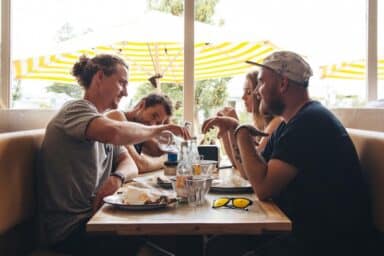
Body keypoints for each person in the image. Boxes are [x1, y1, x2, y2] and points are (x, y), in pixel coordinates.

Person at [202, 51, 378, 256]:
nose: (258, 91)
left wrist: (241, 132)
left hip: (332, 241)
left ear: (283, 84)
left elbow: (263, 188)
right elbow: (249, 174)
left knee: (222, 248)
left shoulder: (310, 122)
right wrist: (234, 129)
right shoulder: (291, 123)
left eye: (261, 83)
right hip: (305, 230)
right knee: (219, 245)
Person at [37, 54, 190, 255]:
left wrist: (116, 178)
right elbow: (116, 132)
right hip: (72, 231)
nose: (126, 92)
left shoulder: (98, 121)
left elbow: (130, 164)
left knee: (180, 235)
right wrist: (159, 130)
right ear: (100, 77)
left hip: (98, 219)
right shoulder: (75, 110)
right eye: (122, 83)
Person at [216, 70, 281, 173]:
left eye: (248, 92)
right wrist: (226, 129)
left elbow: (249, 169)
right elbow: (236, 163)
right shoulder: (257, 125)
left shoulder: (276, 123)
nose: (243, 97)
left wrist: (235, 126)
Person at [106, 93, 173, 173]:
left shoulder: (141, 128)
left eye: (158, 123)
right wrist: (166, 160)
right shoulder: (116, 117)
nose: (152, 124)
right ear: (142, 105)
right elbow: (139, 165)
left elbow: (160, 150)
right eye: (154, 116)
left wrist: (165, 128)